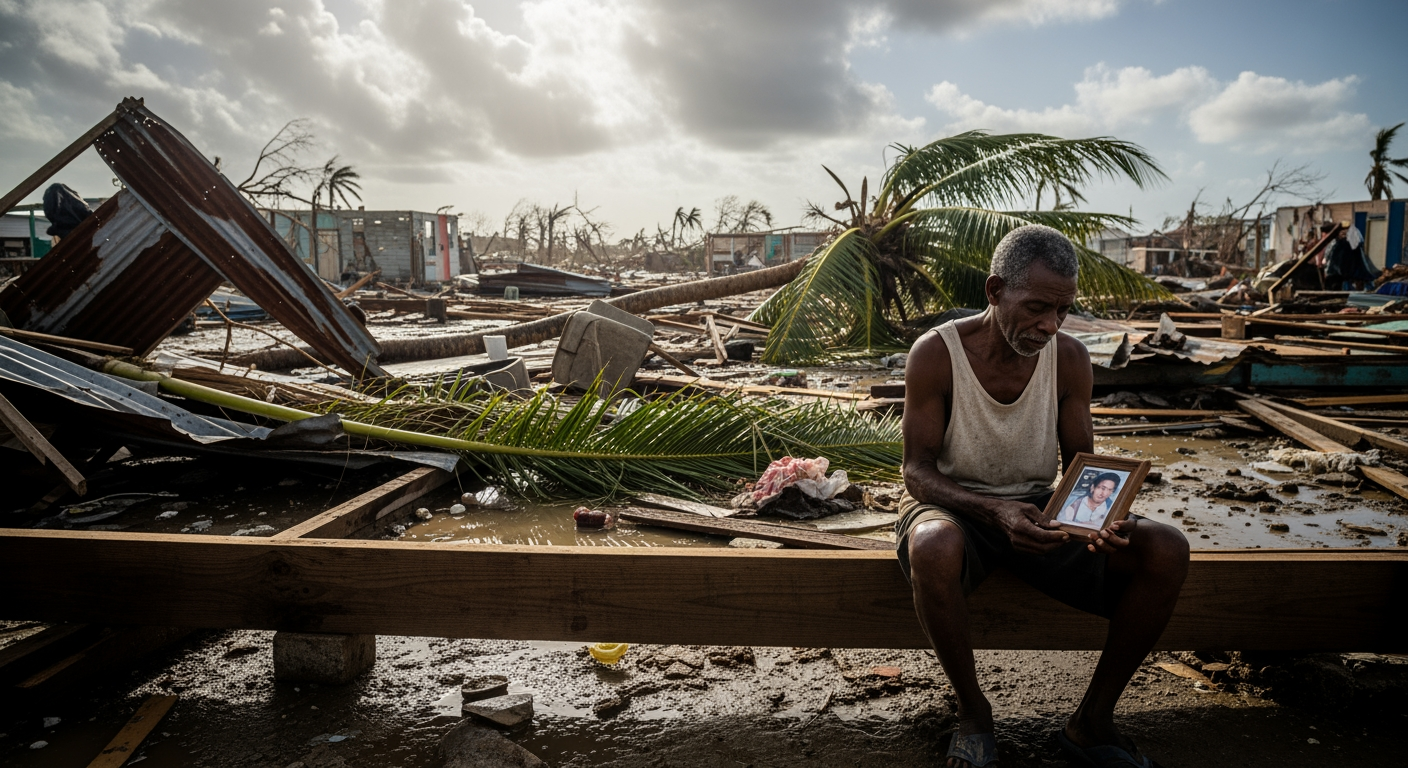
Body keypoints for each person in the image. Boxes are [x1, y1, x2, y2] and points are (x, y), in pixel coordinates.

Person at [897, 224, 1190, 768]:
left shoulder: (1070, 358)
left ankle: (1091, 722)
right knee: (932, 546)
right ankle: (974, 714)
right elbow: (916, 471)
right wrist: (993, 509)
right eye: (1035, 308)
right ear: (994, 291)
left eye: (1061, 311)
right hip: (955, 507)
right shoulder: (936, 354)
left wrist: (1104, 517)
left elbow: (1084, 467)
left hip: (1039, 509)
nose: (1048, 325)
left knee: (1166, 547)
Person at [1057, 473, 1122, 527]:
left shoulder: (1111, 509)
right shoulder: (1074, 504)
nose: (1103, 493)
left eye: (1109, 490)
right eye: (1102, 488)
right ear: (1093, 487)